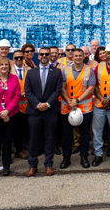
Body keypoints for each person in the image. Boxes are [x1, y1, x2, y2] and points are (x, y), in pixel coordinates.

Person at [24, 47, 64, 176]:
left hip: (50, 110)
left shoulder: (57, 72)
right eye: (42, 54)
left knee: (50, 138)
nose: (45, 56)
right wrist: (37, 104)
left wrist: (47, 104)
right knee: (34, 139)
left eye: (47, 54)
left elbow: (58, 90)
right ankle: (32, 165)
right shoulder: (31, 72)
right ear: (38, 56)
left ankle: (48, 164)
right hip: (34, 111)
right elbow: (28, 92)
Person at [60, 48, 97, 169]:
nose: (78, 58)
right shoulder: (65, 70)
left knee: (85, 133)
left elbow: (91, 88)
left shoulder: (89, 70)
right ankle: (66, 157)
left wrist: (77, 101)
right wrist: (69, 101)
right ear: (72, 56)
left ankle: (84, 156)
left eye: (80, 56)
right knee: (66, 134)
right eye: (75, 56)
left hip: (84, 107)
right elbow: (62, 87)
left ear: (83, 56)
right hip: (67, 106)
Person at [0, 58, 20, 176]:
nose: (4, 66)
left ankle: (6, 166)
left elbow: (17, 96)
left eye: (6, 64)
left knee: (8, 141)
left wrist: (7, 111)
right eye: (2, 65)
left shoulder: (14, 79)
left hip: (11, 114)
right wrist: (1, 112)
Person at [10, 50, 30, 160]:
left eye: (21, 58)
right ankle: (18, 150)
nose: (18, 60)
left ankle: (26, 148)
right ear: (13, 58)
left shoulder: (30, 70)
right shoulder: (9, 71)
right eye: (16, 58)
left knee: (27, 130)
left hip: (28, 106)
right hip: (14, 106)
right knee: (16, 130)